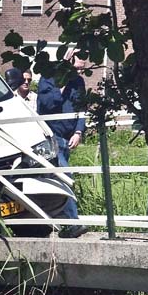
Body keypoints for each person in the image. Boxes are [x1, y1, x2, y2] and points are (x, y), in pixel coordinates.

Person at [36, 54, 88, 238]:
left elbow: (82, 108)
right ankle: (72, 222)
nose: (81, 72)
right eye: (78, 68)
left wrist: (78, 132)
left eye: (83, 68)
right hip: (51, 138)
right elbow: (49, 104)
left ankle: (54, 220)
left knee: (55, 179)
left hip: (68, 138)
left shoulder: (79, 82)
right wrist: (62, 85)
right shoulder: (47, 78)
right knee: (64, 175)